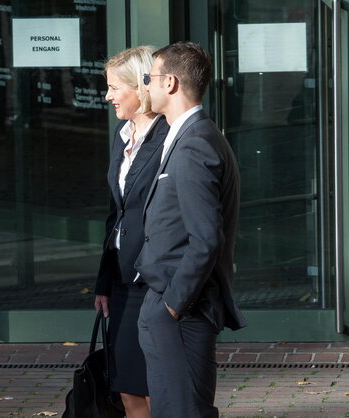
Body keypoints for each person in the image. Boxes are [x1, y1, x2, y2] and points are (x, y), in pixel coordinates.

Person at [135, 41, 247, 417]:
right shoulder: (185, 135)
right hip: (171, 304)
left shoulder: (196, 143)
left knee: (183, 411)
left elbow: (206, 239)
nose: (145, 86)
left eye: (149, 78)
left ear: (169, 83)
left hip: (184, 309)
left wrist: (172, 305)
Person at [94, 46, 169, 418]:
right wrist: (104, 281)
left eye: (113, 88)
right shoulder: (122, 136)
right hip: (123, 281)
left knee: (158, 390)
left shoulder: (169, 137)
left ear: (142, 87)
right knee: (126, 389)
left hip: (155, 282)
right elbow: (115, 213)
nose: (107, 96)